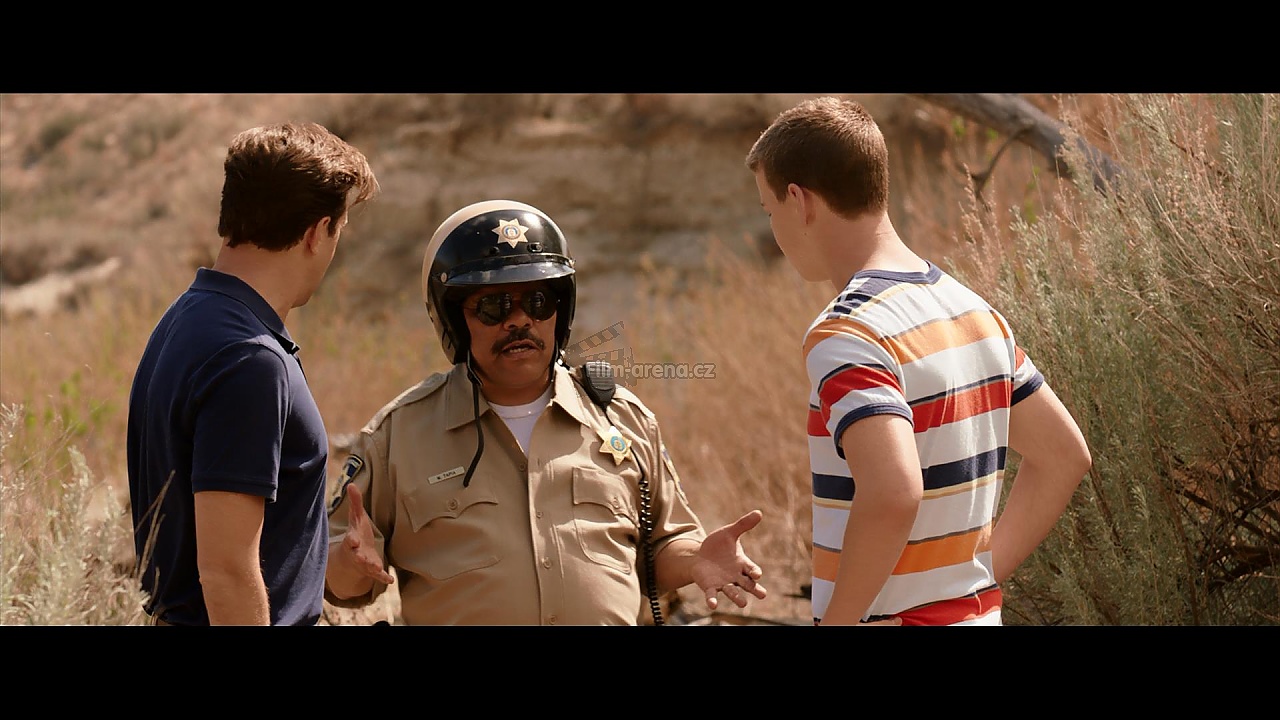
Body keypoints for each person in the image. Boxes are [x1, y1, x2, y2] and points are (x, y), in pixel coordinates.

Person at [324, 199, 767, 625]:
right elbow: (337, 576)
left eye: (538, 302)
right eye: (494, 307)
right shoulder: (398, 436)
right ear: (454, 320)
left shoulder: (623, 420)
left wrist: (697, 559)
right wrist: (347, 563)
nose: (520, 321)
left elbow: (664, 545)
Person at [745, 96, 1092, 626]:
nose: (774, 228)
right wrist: (975, 581)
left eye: (770, 211)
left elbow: (893, 493)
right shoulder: (974, 311)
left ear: (799, 200)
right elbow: (1065, 456)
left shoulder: (846, 333)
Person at [127, 122, 380, 626]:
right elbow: (225, 572)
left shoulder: (190, 317)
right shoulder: (250, 358)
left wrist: (325, 562)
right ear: (317, 233)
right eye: (340, 230)